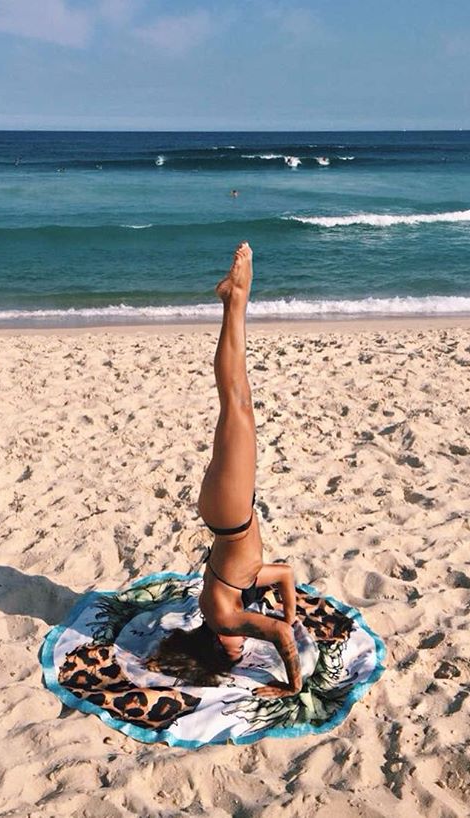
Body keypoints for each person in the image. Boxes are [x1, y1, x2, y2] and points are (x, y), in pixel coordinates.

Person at [147, 242, 302, 698]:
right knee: (240, 402)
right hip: (232, 510)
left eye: (235, 650)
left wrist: (291, 687)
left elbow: (279, 637)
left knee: (234, 401)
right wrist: (289, 612)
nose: (243, 642)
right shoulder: (247, 589)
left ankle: (235, 299)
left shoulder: (222, 616)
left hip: (230, 512)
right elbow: (287, 574)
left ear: (217, 641)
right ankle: (234, 298)